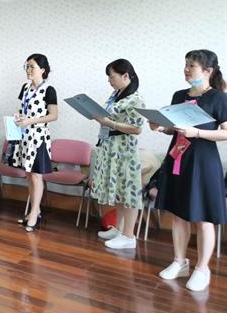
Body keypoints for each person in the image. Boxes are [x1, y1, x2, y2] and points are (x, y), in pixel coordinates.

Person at [151, 49, 227, 292]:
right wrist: (161, 127)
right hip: (178, 159)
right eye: (185, 64)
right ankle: (179, 261)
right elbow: (175, 129)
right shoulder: (179, 95)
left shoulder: (219, 98)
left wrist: (199, 133)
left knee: (203, 218)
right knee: (178, 214)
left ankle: (202, 268)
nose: (186, 69)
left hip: (203, 163)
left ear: (208, 71)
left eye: (191, 65)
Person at [91, 59, 145, 249]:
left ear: (125, 76)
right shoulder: (116, 94)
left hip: (124, 150)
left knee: (128, 192)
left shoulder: (135, 99)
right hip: (111, 147)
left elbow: (137, 129)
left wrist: (109, 123)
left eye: (112, 77)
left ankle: (129, 236)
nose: (109, 80)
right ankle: (119, 230)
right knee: (119, 191)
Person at [12, 53, 58, 232]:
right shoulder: (25, 87)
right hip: (25, 136)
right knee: (29, 175)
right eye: (27, 66)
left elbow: (53, 116)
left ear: (43, 70)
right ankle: (35, 210)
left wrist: (30, 121)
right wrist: (18, 115)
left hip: (39, 138)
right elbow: (23, 108)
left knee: (37, 176)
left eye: (32, 66)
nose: (28, 70)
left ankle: (33, 214)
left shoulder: (49, 90)